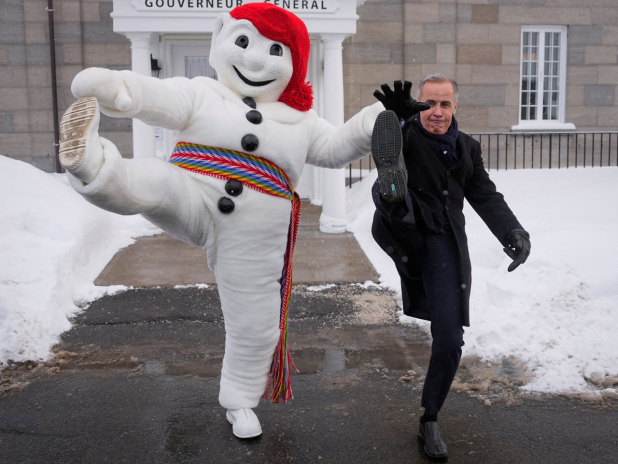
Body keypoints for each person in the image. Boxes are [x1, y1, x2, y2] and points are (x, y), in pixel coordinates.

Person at [58, 3, 384, 440]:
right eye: (243, 42)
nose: (255, 60)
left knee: (257, 323)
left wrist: (370, 123)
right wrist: (117, 89)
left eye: (276, 51)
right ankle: (93, 166)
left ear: (295, 64)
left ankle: (240, 401)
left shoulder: (301, 120)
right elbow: (159, 97)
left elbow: (334, 147)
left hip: (255, 233)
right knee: (157, 182)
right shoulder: (203, 93)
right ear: (219, 39)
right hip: (196, 194)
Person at [371, 75, 531, 459]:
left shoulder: (467, 148)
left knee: (450, 337)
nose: (437, 112)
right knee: (393, 194)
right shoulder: (406, 135)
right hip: (406, 231)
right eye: (429, 103)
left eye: (444, 104)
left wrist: (512, 230)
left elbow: (484, 193)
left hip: (444, 243)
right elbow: (373, 137)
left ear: (455, 107)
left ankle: (429, 418)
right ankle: (393, 191)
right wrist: (397, 119)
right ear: (419, 105)